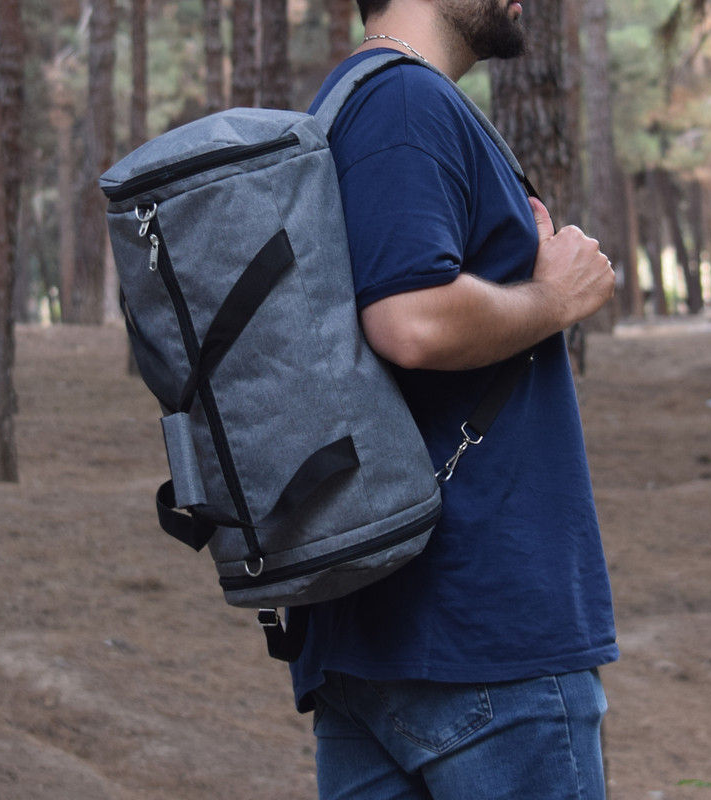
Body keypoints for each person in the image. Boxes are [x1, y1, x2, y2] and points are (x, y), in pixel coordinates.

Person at [289, 0, 620, 798]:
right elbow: (408, 321)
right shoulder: (406, 103)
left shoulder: (351, 105)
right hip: (483, 633)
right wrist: (556, 298)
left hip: (374, 639)